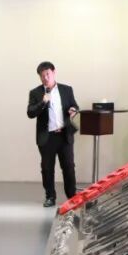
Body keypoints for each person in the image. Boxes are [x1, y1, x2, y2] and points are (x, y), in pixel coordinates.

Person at [27, 61, 80, 207]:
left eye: (47, 74)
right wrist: (43, 102)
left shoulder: (67, 89)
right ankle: (50, 196)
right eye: (42, 76)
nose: (45, 78)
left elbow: (75, 105)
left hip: (64, 135)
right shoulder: (36, 93)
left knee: (69, 167)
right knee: (47, 169)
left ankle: (72, 196)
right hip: (47, 137)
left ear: (54, 72)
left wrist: (74, 110)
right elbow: (30, 113)